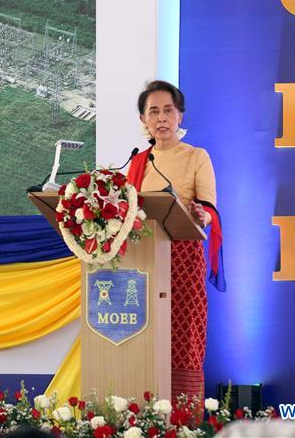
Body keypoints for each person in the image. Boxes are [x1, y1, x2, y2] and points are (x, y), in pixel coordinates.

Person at [126, 80, 225, 406]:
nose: (161, 117)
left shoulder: (197, 157)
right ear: (144, 119)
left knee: (182, 335)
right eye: (153, 111)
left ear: (180, 115)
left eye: (168, 110)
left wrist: (201, 215)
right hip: (143, 260)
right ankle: (140, 411)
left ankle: (181, 417)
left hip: (182, 258)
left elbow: (209, 208)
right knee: (142, 334)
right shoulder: (139, 161)